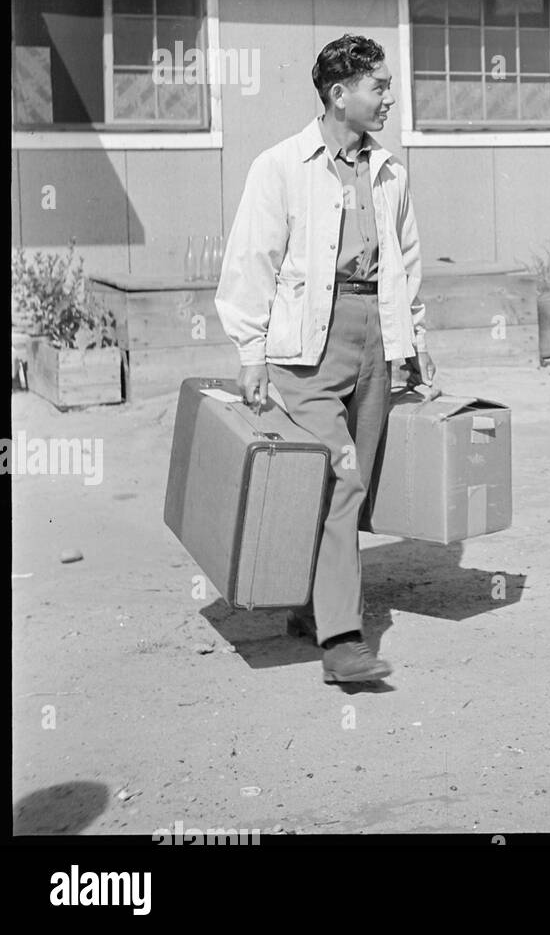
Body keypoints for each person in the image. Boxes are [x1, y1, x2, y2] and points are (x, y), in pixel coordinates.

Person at [215, 35, 434, 685]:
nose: (390, 97)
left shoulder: (389, 169)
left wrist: (413, 342)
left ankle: (310, 607)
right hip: (308, 349)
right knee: (343, 480)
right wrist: (250, 351)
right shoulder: (281, 165)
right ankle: (343, 640)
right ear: (340, 95)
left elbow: (408, 260)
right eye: (379, 86)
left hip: (375, 340)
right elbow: (252, 259)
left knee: (348, 484)